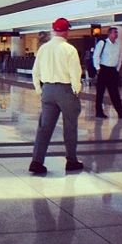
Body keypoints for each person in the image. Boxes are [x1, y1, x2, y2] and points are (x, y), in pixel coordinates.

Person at [29, 18, 83, 174]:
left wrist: (40, 90)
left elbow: (35, 72)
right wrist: (76, 90)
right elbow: (75, 74)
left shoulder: (43, 49)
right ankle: (71, 161)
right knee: (70, 127)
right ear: (66, 31)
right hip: (65, 90)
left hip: (47, 90)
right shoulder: (69, 49)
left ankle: (36, 161)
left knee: (44, 128)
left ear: (53, 30)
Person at [93, 26, 122, 119]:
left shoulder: (118, 44)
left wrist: (117, 69)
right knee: (100, 92)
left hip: (112, 70)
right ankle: (99, 112)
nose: (116, 34)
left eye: (117, 32)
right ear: (109, 34)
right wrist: (98, 68)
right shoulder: (103, 43)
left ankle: (121, 113)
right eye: (114, 32)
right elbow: (96, 56)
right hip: (103, 69)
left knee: (115, 92)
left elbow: (119, 57)